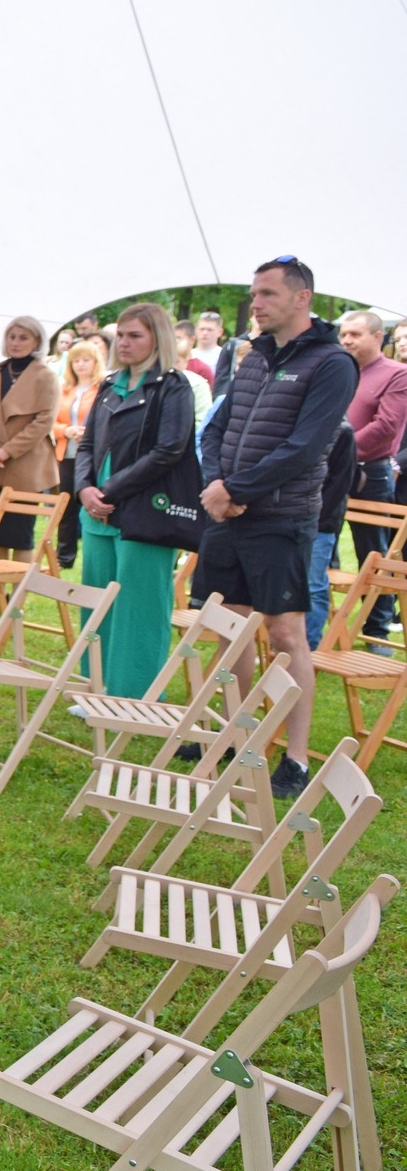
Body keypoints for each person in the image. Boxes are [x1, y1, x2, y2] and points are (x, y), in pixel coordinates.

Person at [198, 256, 358, 798]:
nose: (256, 303)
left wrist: (236, 490)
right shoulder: (252, 357)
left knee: (285, 633)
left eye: (267, 294)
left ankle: (294, 759)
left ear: (301, 297)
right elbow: (218, 429)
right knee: (229, 627)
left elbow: (308, 447)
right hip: (230, 514)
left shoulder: (332, 363)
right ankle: (242, 737)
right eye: (254, 294)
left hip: (283, 518)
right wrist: (221, 485)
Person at [72, 304, 197, 699]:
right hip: (96, 510)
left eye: (135, 336)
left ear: (156, 338)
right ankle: (97, 686)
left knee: (139, 606)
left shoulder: (173, 387)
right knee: (97, 600)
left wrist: (109, 492)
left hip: (144, 512)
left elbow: (169, 451)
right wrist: (84, 489)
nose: (124, 343)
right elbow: (88, 444)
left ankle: (136, 695)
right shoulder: (109, 385)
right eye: (121, 335)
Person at [0, 316, 60, 567]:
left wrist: (6, 451)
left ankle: (17, 597)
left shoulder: (45, 376)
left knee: (19, 535)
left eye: (23, 337)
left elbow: (44, 420)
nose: (15, 342)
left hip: (24, 466)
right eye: (12, 337)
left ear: (36, 341)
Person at [338, 310, 407, 648]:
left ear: (378, 337)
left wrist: (336, 450)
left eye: (355, 334)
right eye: (344, 334)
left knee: (375, 554)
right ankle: (321, 621)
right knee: (321, 547)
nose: (347, 340)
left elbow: (387, 427)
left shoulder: (397, 374)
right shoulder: (338, 370)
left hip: (371, 473)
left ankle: (375, 631)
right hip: (329, 472)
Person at [52, 339, 107, 570]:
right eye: (76, 361)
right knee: (65, 506)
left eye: (86, 360)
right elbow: (51, 422)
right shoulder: (64, 389)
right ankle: (64, 555)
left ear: (96, 362)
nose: (81, 365)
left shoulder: (103, 386)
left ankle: (96, 555)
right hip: (66, 452)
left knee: (92, 502)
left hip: (93, 455)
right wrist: (66, 430)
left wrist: (89, 432)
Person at [306, 421, 360, 650]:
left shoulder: (343, 431)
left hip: (321, 522)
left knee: (313, 586)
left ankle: (309, 647)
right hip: (292, 518)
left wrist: (314, 518)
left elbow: (341, 483)